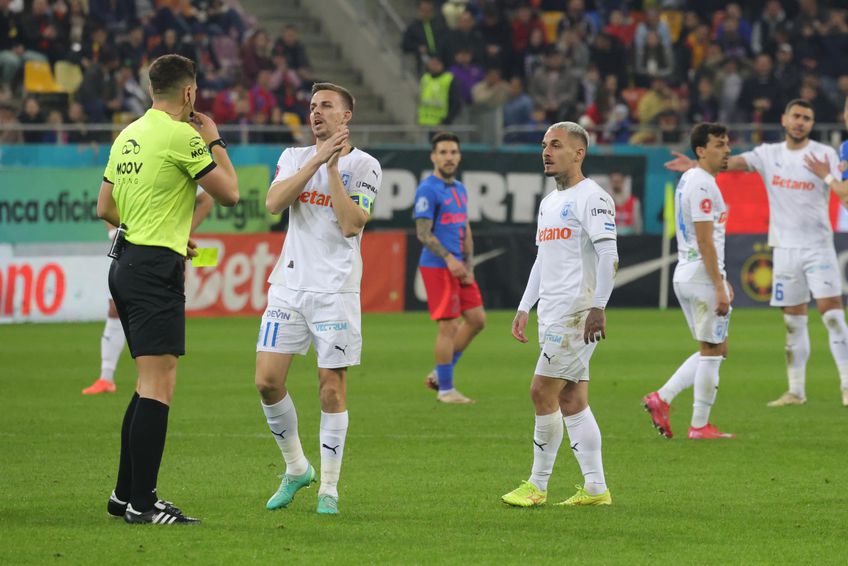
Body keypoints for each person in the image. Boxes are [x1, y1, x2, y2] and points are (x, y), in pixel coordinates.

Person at [96, 54, 239, 524]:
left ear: (151, 89)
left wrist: (160, 231)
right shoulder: (183, 135)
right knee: (159, 385)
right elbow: (229, 193)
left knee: (146, 383)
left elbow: (105, 207)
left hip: (125, 262)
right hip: (154, 270)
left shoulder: (128, 135)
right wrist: (213, 137)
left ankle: (123, 496)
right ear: (189, 92)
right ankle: (143, 503)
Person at [666, 99, 848, 407]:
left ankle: (846, 384)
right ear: (784, 119)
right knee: (793, 322)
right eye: (796, 116)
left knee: (832, 315)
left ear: (812, 124)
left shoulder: (825, 154)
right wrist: (697, 165)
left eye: (807, 118)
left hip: (818, 246)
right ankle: (796, 391)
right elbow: (730, 162)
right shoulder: (768, 154)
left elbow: (845, 195)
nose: (800, 122)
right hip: (784, 249)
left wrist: (827, 176)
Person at [255, 82, 381, 516]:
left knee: (331, 389)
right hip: (288, 286)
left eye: (326, 105)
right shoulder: (293, 157)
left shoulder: (365, 165)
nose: (316, 112)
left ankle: (329, 487)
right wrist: (315, 160)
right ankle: (296, 468)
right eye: (312, 106)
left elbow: (351, 223)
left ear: (346, 117)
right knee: (267, 382)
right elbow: (274, 203)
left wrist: (332, 168)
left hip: (335, 291)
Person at [501, 122, 617, 508]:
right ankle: (596, 489)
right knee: (572, 399)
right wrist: (525, 306)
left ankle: (537, 485)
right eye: (544, 145)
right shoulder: (549, 202)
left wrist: (598, 306)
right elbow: (542, 259)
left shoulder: (593, 197)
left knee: (541, 391)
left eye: (556, 145)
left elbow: (609, 255)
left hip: (576, 312)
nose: (546, 152)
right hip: (552, 312)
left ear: (579, 153)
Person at [643, 123, 736, 440]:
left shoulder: (692, 178)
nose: (727, 150)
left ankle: (671, 403)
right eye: (719, 144)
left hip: (689, 272)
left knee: (717, 348)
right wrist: (719, 284)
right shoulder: (703, 185)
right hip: (700, 275)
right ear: (701, 150)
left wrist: (719, 279)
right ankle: (694, 421)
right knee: (712, 352)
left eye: (727, 143)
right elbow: (705, 240)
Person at [82, 188, 214, 395]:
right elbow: (105, 205)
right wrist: (116, 230)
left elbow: (209, 199)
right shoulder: (124, 169)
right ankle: (108, 377)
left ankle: (138, 377)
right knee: (116, 308)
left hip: (158, 253)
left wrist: (182, 234)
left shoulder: (173, 170)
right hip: (129, 248)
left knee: (140, 311)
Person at [413, 132, 486, 404]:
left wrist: (469, 262)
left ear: (459, 156)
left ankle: (439, 374)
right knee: (449, 326)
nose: (448, 157)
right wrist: (449, 259)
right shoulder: (427, 189)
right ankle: (445, 389)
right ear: (433, 157)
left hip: (460, 264)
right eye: (443, 152)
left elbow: (464, 226)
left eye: (453, 152)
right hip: (438, 265)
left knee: (477, 319)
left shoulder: (460, 189)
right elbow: (423, 233)